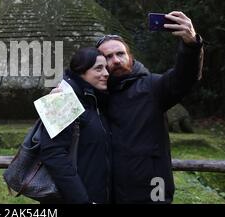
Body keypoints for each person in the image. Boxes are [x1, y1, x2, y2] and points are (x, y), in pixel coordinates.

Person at [95, 11, 204, 203]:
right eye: (108, 57)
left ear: (130, 56)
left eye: (120, 53)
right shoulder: (96, 94)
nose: (116, 60)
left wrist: (192, 46)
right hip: (110, 192)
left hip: (154, 189)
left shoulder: (153, 86)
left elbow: (183, 78)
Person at [39, 47, 112, 204]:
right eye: (98, 68)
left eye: (106, 68)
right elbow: (53, 155)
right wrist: (82, 200)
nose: (106, 73)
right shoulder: (61, 99)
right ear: (81, 72)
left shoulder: (96, 101)